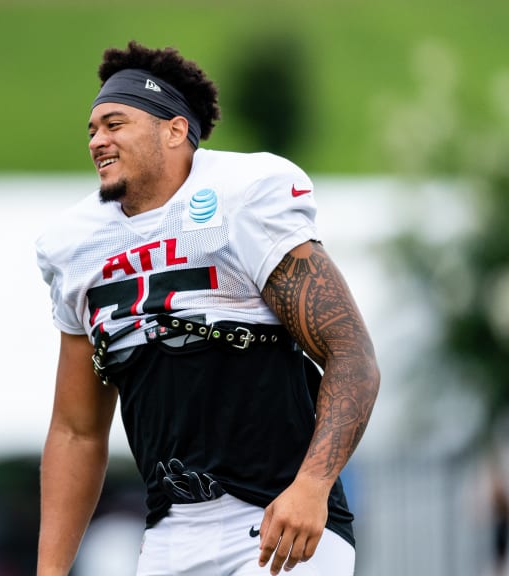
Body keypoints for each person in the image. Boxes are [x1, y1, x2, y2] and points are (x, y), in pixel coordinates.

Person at [34, 41, 380, 576]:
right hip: (170, 532)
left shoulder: (245, 195)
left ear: (175, 130)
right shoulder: (76, 246)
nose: (97, 140)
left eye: (115, 123)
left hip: (279, 521)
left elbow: (351, 353)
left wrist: (312, 485)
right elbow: (76, 430)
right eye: (92, 130)